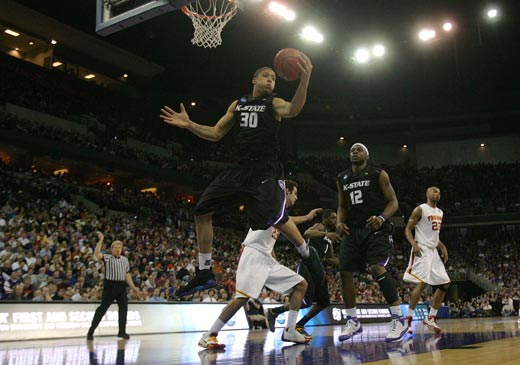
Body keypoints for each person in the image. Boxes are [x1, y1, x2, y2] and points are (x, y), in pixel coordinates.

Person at [160, 56, 313, 298]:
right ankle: (205, 272)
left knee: (272, 218)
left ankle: (306, 254)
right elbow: (216, 133)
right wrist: (189, 125)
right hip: (239, 169)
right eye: (266, 76)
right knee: (201, 211)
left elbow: (293, 109)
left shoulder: (275, 103)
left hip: (265, 170)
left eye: (274, 78)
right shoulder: (238, 104)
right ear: (254, 79)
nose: (271, 80)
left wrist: (304, 81)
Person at [198, 181, 319, 348]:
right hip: (254, 254)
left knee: (300, 284)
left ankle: (290, 330)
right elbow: (286, 223)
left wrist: (306, 217)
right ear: (286, 191)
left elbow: (287, 221)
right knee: (241, 298)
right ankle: (209, 334)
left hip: (266, 258)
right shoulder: (272, 204)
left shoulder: (280, 212)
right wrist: (302, 240)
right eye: (295, 193)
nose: (296, 197)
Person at [335, 143, 407, 343]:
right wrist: (340, 222)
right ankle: (352, 320)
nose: (354, 151)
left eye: (359, 149)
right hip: (352, 229)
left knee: (377, 268)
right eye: (352, 150)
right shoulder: (342, 177)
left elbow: (393, 202)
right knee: (344, 271)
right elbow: (341, 205)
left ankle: (398, 318)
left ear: (368, 154)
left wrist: (382, 218)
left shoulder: (378, 174)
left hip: (376, 228)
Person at [266, 209, 340, 338]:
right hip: (308, 265)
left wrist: (347, 264)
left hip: (319, 269)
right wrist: (325, 234)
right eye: (333, 218)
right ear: (325, 218)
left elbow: (330, 258)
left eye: (336, 218)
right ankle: (274, 312)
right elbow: (307, 233)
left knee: (324, 303)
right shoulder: (320, 227)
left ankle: (300, 325)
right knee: (305, 301)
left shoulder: (329, 236)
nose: (335, 220)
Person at [403, 186, 450, 334]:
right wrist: (414, 245)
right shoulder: (420, 209)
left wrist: (443, 247)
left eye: (439, 192)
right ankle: (408, 320)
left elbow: (434, 236)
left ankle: (431, 317)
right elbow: (407, 229)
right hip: (421, 248)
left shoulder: (440, 212)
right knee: (423, 283)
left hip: (433, 250)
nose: (438, 193)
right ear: (427, 194)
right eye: (435, 191)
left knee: (445, 284)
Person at [87, 232, 138, 340]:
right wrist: (101, 240)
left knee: (124, 309)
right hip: (110, 286)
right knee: (102, 309)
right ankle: (91, 330)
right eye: (116, 247)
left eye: (120, 248)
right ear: (112, 249)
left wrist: (133, 287)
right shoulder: (107, 257)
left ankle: (122, 331)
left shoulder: (125, 260)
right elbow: (97, 254)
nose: (118, 249)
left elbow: (127, 274)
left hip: (121, 286)